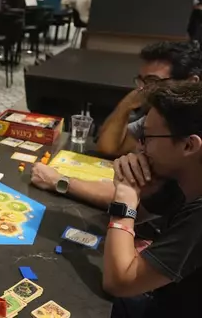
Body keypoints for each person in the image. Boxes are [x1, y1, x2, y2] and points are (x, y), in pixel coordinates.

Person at [30, 41, 202, 209]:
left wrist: (59, 181)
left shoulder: (181, 127)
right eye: (141, 81)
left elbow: (131, 198)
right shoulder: (157, 114)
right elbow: (109, 149)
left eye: (153, 81)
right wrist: (128, 103)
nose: (143, 90)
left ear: (191, 82)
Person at [104, 81, 202, 318]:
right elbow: (144, 211)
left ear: (189, 145)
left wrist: (126, 194)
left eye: (147, 137)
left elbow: (119, 282)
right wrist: (136, 184)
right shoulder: (184, 177)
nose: (140, 146)